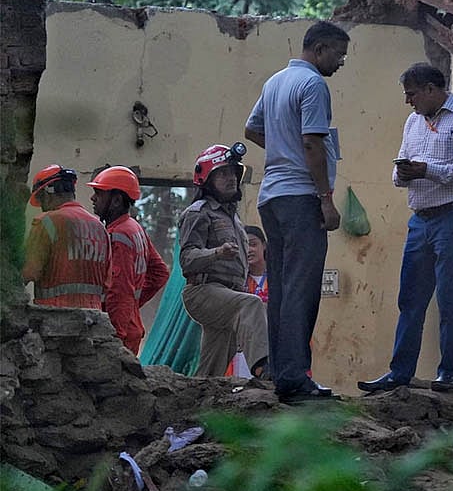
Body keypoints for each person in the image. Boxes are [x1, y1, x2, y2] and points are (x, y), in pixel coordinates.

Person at [358, 62, 453, 393]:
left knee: (448, 298)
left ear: (431, 90)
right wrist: (404, 173)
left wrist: (428, 170)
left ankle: (450, 373)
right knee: (410, 298)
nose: (408, 101)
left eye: (412, 94)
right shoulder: (413, 122)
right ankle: (399, 372)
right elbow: (397, 173)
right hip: (420, 218)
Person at [245, 21, 349, 402]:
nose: (341, 62)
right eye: (338, 54)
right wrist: (325, 198)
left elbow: (251, 129)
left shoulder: (275, 82)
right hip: (301, 197)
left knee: (282, 287)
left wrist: (280, 148)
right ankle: (294, 377)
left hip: (271, 198)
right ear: (319, 49)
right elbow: (311, 144)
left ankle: (280, 371)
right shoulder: (313, 84)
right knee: (301, 290)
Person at [178, 143, 268, 378]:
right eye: (223, 173)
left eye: (233, 173)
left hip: (226, 295)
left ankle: (199, 397)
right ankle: (265, 368)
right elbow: (186, 259)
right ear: (207, 180)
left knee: (213, 367)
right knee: (251, 304)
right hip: (203, 291)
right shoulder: (198, 212)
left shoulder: (233, 218)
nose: (231, 179)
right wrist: (216, 253)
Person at [87, 165, 170, 354]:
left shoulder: (118, 235)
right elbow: (160, 273)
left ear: (116, 200)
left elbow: (119, 290)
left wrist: (114, 336)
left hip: (117, 333)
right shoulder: (134, 228)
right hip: (129, 326)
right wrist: (132, 306)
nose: (93, 198)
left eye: (99, 193)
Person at [22, 164, 111, 309]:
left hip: (54, 316)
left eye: (40, 199)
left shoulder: (47, 222)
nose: (42, 206)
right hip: (93, 318)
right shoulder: (100, 228)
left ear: (48, 193)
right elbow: (107, 284)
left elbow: (28, 272)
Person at [244, 225, 268, 303]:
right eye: (244, 246)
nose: (249, 250)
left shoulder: (278, 274)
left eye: (253, 244)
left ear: (264, 245)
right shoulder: (240, 281)